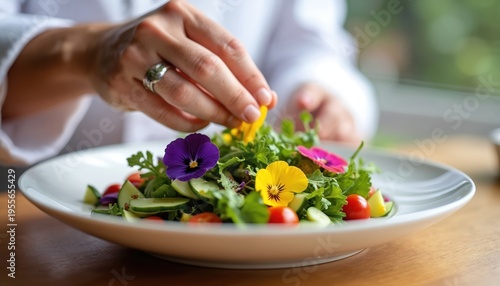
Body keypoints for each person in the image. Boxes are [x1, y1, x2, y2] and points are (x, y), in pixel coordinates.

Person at [0, 0, 378, 166]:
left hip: (235, 227)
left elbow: (313, 42)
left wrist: (318, 89)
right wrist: (85, 53)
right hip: (25, 210)